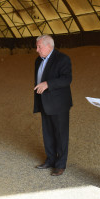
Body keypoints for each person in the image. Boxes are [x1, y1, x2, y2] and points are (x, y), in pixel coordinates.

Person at [33, 34, 72, 176]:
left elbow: (67, 79)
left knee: (61, 135)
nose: (37, 50)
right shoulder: (38, 60)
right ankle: (50, 159)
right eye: (37, 46)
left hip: (59, 104)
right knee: (47, 133)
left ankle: (60, 164)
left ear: (49, 46)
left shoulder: (62, 59)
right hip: (44, 102)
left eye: (39, 46)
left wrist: (48, 84)